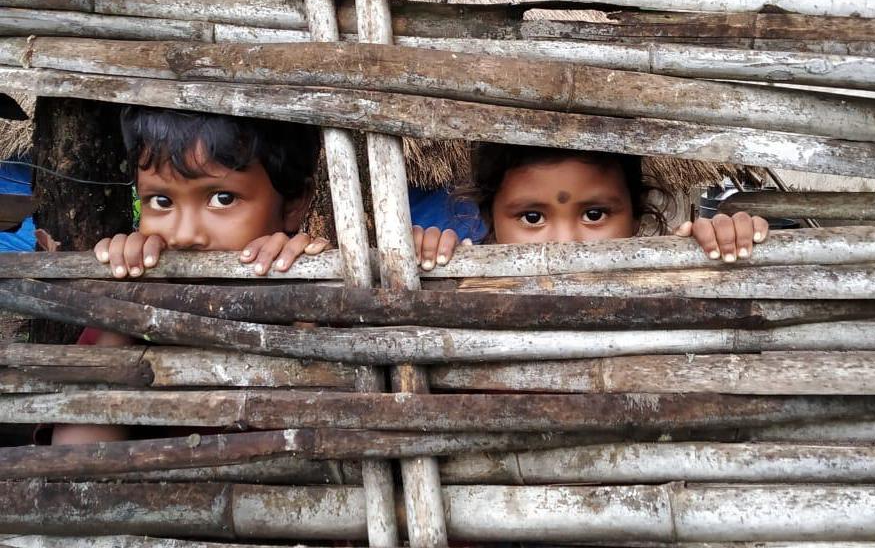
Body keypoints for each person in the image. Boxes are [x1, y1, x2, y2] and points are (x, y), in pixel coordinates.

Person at [51, 106, 329, 445]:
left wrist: (304, 309)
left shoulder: (326, 297)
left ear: (293, 204)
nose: (183, 235)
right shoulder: (133, 301)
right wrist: (120, 312)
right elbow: (75, 458)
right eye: (161, 201)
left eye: (222, 198)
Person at [412, 143, 768, 269]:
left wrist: (725, 248)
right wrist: (421, 264)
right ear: (490, 221)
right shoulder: (469, 300)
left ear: (636, 216)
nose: (565, 243)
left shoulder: (667, 286)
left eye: (594, 214)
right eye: (532, 217)